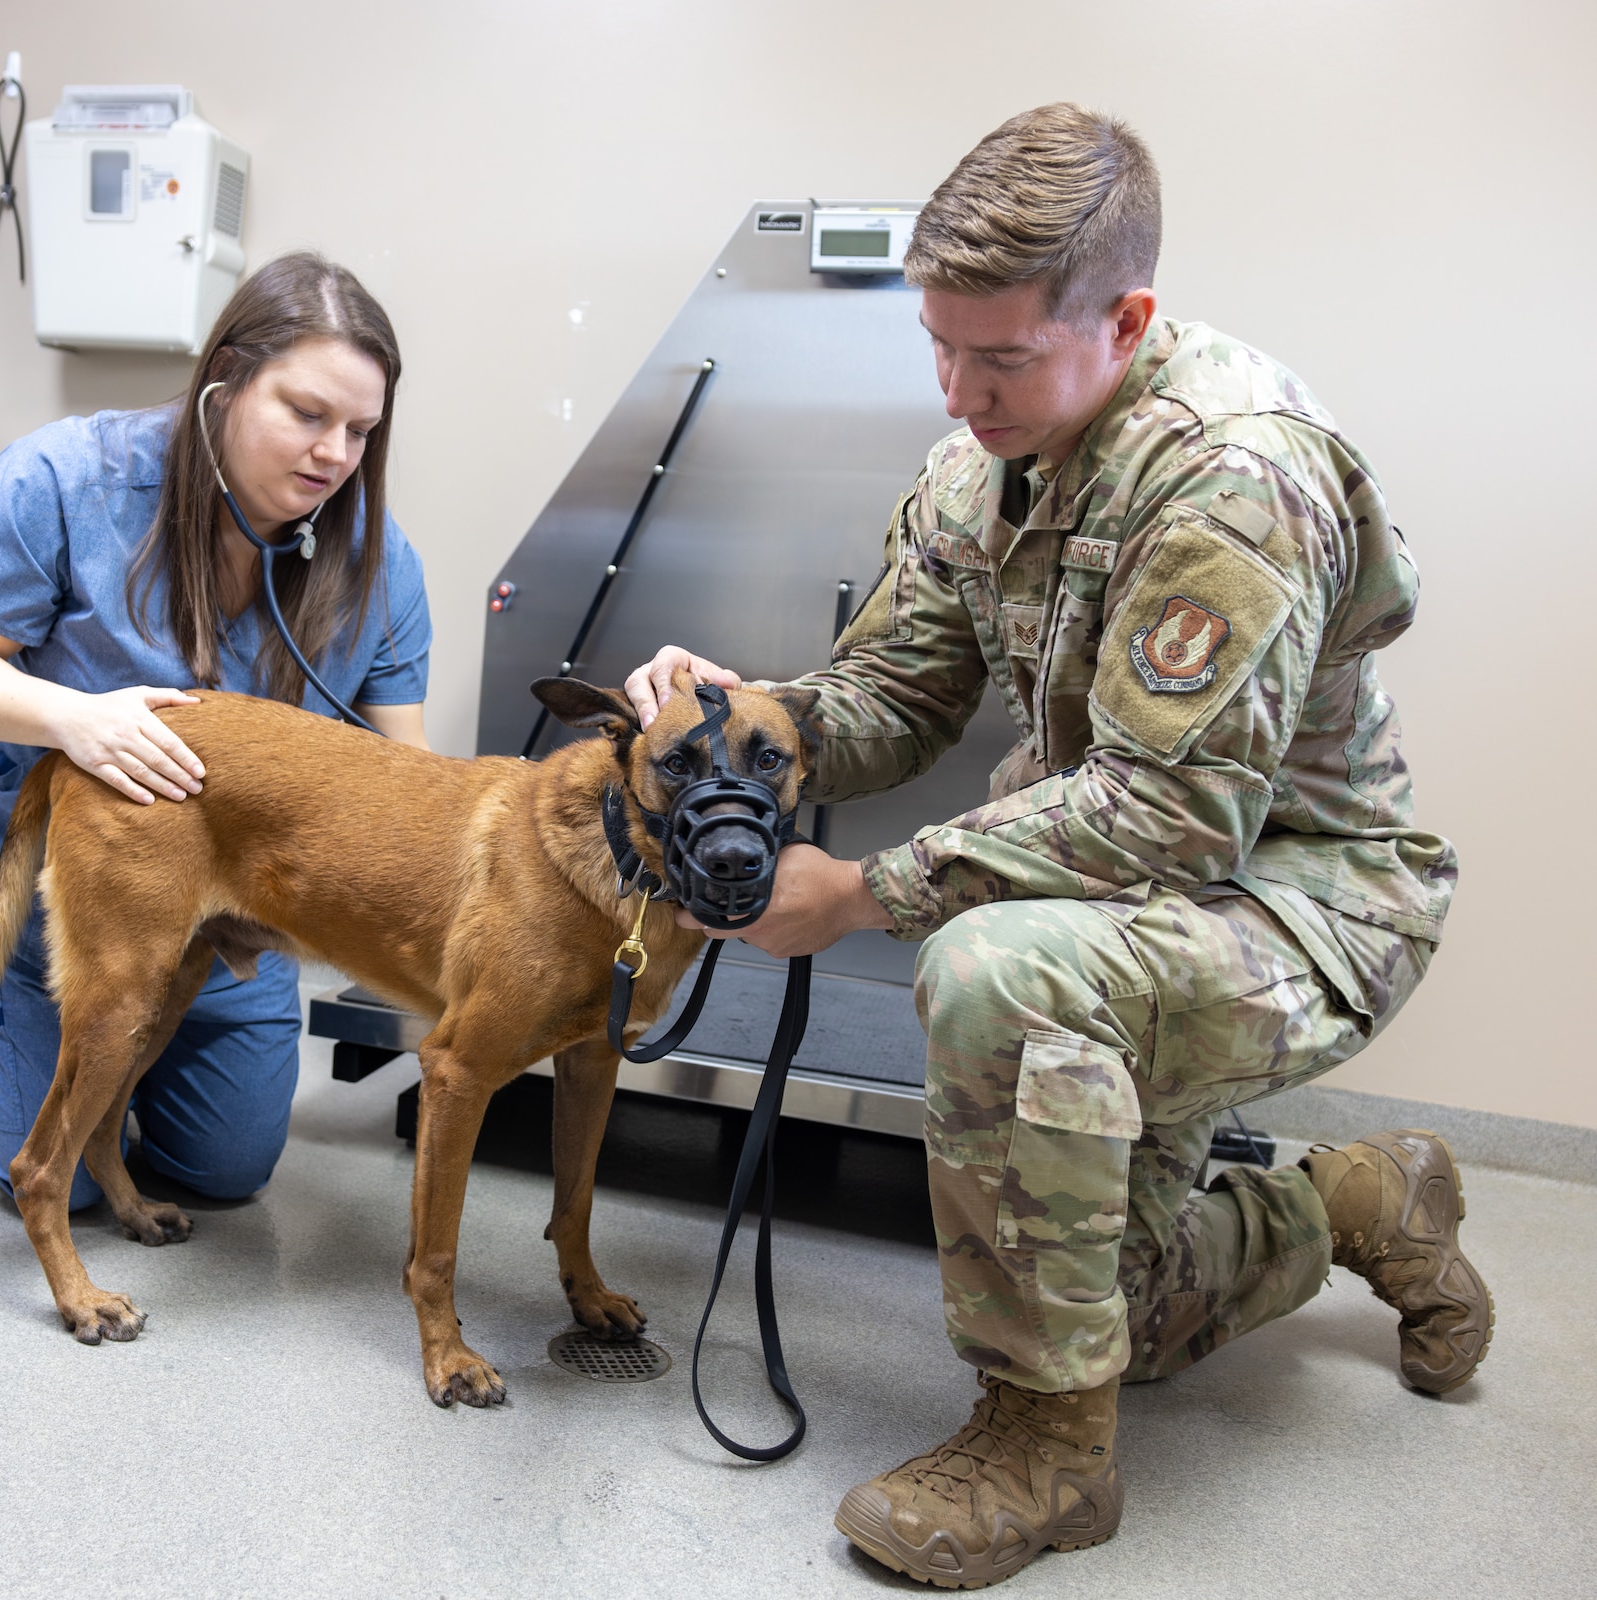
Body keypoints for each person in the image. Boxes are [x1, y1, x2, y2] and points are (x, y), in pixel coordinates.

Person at [625, 105, 1489, 1588]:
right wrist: (758, 717)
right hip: (1134, 903)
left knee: (992, 971)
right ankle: (1347, 1200)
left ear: (1124, 318)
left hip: (1308, 903)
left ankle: (1044, 1450)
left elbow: (1171, 812)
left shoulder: (1234, 475)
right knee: (1125, 1318)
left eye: (1002, 357)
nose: (960, 392)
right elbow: (901, 693)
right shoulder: (983, 467)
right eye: (939, 347)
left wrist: (864, 893)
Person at [0, 252, 432, 1211]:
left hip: (238, 893)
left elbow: (408, 778)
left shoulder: (378, 566)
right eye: (306, 413)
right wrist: (72, 718)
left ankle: (137, 1065)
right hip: (64, 887)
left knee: (228, 1170)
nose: (336, 455)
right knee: (59, 1177)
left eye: (361, 430)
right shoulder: (68, 481)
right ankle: (30, 1052)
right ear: (224, 385)